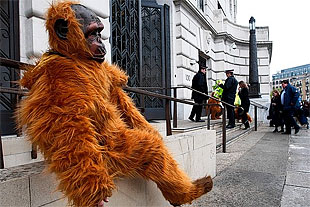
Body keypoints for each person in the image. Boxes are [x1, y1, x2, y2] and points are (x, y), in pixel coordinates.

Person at [17, 2, 213, 207]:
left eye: (100, 34)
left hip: (110, 137)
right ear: (64, 32)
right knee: (151, 149)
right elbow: (66, 131)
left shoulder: (89, 66)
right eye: (92, 35)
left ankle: (179, 191)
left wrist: (143, 126)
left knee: (149, 140)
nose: (100, 44)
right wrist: (90, 183)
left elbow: (121, 102)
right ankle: (179, 193)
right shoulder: (57, 75)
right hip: (99, 148)